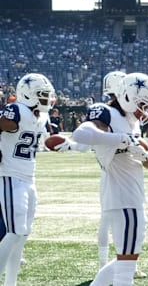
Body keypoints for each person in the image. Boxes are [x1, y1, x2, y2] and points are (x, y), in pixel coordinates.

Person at [71, 72, 148, 286]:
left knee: (126, 259)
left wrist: (144, 154)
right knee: (126, 268)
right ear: (128, 97)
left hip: (130, 196)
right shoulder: (108, 113)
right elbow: (81, 134)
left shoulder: (131, 122)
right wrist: (122, 140)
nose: (145, 110)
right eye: (142, 104)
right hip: (123, 198)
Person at [0, 73, 55, 285]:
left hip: (28, 177)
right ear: (28, 94)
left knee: (22, 236)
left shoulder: (41, 117)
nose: (47, 100)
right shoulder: (16, 110)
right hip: (9, 176)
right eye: (42, 95)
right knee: (15, 232)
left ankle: (11, 283)